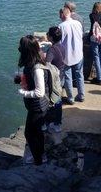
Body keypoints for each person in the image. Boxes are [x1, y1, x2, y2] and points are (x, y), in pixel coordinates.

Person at [15, 35, 49, 165]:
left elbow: (40, 92)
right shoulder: (32, 62)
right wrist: (22, 79)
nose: (18, 48)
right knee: (37, 132)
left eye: (21, 47)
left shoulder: (36, 68)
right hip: (36, 106)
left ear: (26, 50)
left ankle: (38, 161)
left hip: (38, 106)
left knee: (29, 134)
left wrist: (24, 93)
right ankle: (42, 156)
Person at [59, 7, 85, 104]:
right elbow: (81, 35)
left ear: (62, 14)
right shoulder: (78, 23)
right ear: (69, 13)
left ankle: (70, 98)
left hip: (67, 56)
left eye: (59, 15)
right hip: (78, 53)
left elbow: (60, 42)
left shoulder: (61, 26)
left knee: (68, 77)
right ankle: (81, 95)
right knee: (79, 75)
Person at [45, 26, 64, 133]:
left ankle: (56, 124)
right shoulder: (61, 46)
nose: (46, 34)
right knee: (57, 99)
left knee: (55, 101)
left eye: (48, 33)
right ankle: (57, 122)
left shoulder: (52, 49)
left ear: (51, 37)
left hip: (55, 78)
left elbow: (47, 65)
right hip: (61, 75)